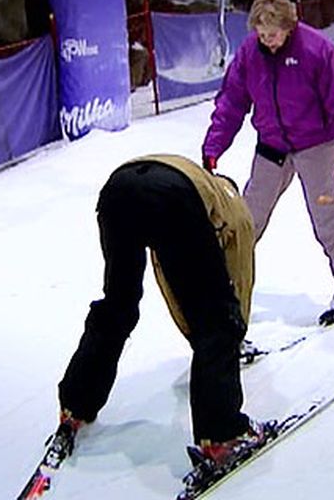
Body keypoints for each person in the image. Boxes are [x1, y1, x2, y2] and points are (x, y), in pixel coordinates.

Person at [48, 154, 266, 471]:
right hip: (170, 198)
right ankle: (223, 436)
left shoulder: (197, 185)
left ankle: (75, 404)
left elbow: (169, 273)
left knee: (118, 303)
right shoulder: (237, 218)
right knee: (218, 318)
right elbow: (239, 278)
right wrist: (231, 331)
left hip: (118, 190)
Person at [201, 0, 334, 313]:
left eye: (274, 34)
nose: (268, 41)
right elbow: (231, 104)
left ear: (289, 26)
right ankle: (222, 294)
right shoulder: (250, 54)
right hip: (273, 146)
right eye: (262, 34)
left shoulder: (316, 50)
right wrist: (214, 147)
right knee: (246, 220)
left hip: (316, 145)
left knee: (326, 217)